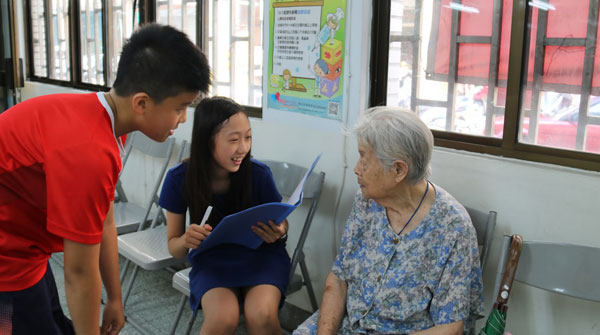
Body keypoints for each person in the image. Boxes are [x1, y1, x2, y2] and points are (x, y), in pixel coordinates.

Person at [0, 23, 210, 335]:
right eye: (180, 108)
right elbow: (79, 273)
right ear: (141, 103)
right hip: (8, 256)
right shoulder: (89, 151)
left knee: (57, 323)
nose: (182, 119)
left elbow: (104, 222)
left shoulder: (106, 120)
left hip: (26, 242)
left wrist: (114, 297)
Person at [294, 107, 484, 335]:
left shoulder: (453, 228)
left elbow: (451, 326)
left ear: (398, 170)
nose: (356, 168)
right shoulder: (366, 201)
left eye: (364, 157)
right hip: (348, 323)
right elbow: (339, 278)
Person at [158, 96, 290, 335]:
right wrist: (186, 240)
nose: (243, 148)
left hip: (262, 256)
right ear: (207, 141)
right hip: (213, 261)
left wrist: (280, 230)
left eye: (248, 137)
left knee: (262, 317)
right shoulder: (179, 179)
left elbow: (282, 220)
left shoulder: (259, 174)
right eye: (233, 140)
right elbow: (174, 247)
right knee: (221, 321)